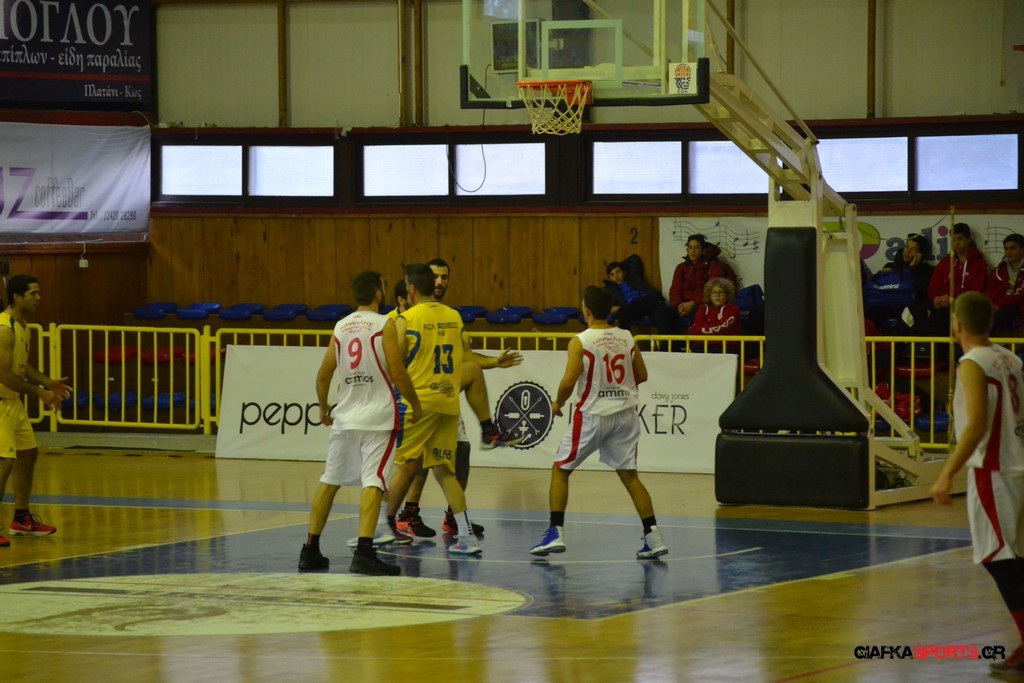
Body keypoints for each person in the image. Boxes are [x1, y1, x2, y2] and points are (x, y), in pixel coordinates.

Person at [530, 285, 668, 560]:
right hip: (626, 415)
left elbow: (568, 382)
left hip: (593, 415)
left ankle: (555, 531)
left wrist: (558, 403)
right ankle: (654, 536)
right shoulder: (626, 336)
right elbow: (641, 375)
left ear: (586, 310)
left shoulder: (581, 340)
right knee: (630, 477)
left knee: (560, 469)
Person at [299, 271, 422, 576]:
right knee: (374, 482)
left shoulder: (341, 326)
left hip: (345, 416)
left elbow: (324, 374)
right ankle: (365, 552)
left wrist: (324, 407)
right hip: (378, 417)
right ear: (379, 294)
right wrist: (416, 403)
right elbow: (397, 371)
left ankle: (310, 549)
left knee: (330, 479)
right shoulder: (384, 324)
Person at [395, 257, 522, 539]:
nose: (440, 282)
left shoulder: (450, 316)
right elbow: (394, 363)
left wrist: (494, 362)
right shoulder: (403, 317)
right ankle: (398, 517)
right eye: (435, 277)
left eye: (445, 277)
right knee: (416, 463)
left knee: (458, 455)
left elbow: (465, 357)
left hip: (443, 396)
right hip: (416, 399)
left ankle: (453, 517)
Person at [931, 292, 1024, 675]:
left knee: (996, 557)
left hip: (994, 469)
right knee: (1015, 558)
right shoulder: (1010, 358)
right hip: (1018, 465)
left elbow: (976, 425)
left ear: (957, 325)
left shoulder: (972, 362)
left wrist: (945, 474)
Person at [386, 263, 482, 555]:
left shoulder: (406, 319)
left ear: (411, 289)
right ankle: (466, 536)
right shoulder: (454, 316)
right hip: (448, 402)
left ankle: (382, 527)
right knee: (445, 471)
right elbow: (465, 357)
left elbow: (395, 366)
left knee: (404, 467)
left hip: (420, 403)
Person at [0, 275, 71, 547]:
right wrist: (39, 393)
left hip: (12, 402)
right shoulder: (4, 328)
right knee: (5, 462)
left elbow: (21, 366)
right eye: (33, 293)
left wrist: (47, 382)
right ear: (17, 297)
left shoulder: (22, 326)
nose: (38, 298)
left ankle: (21, 518)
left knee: (28, 454)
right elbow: (4, 374)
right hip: (0, 401)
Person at [917, 222, 987, 336]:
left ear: (969, 240)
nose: (956, 243)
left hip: (964, 305)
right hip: (942, 305)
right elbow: (933, 287)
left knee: (939, 320)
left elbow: (975, 290)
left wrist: (951, 297)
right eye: (953, 240)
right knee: (915, 310)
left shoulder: (979, 263)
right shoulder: (945, 263)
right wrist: (936, 298)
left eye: (960, 239)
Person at [669, 234, 734, 327]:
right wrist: (679, 305)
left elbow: (712, 291)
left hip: (703, 304)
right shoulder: (681, 267)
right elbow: (675, 289)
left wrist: (692, 303)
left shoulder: (714, 266)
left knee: (697, 313)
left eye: (697, 248)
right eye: (690, 247)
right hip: (683, 305)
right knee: (661, 312)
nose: (693, 251)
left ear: (703, 251)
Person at [602, 257, 675, 335]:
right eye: (612, 274)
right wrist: (617, 308)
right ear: (609, 278)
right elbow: (607, 307)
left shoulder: (633, 278)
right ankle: (625, 341)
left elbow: (634, 258)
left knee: (660, 315)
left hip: (649, 300)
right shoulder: (610, 289)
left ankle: (666, 342)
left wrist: (619, 265)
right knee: (623, 313)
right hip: (632, 306)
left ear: (623, 272)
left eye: (618, 272)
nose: (616, 276)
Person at [984, 233, 1024, 333]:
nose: (1008, 252)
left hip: (1018, 309)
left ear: (1022, 250)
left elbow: (1020, 296)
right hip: (999, 308)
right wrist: (990, 305)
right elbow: (990, 293)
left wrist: (999, 305)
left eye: (1013, 248)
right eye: (1006, 248)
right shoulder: (997, 271)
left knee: (1010, 309)